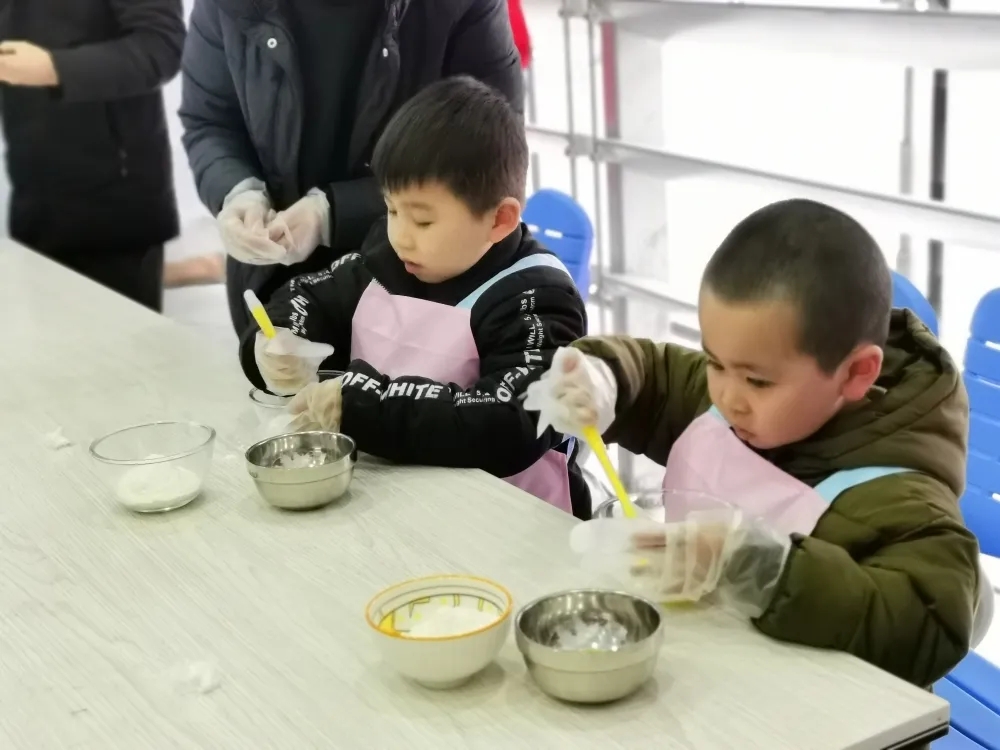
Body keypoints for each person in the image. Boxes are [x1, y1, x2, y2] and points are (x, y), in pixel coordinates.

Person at [526, 198, 986, 687]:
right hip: (713, 685)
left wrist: (758, 566)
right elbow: (655, 375)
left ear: (856, 373)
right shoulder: (734, 393)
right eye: (715, 362)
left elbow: (933, 623)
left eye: (758, 381)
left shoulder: (900, 496)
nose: (727, 396)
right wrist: (601, 379)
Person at [240, 77, 591, 519]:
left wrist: (360, 405)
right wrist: (275, 343)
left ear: (499, 220)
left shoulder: (536, 296)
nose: (400, 236)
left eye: (423, 221)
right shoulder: (386, 260)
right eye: (390, 210)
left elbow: (509, 422)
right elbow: (304, 294)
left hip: (511, 521)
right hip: (398, 509)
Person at [179, 0, 524, 335]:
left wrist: (334, 212)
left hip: (417, 291)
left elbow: (492, 150)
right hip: (271, 284)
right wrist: (238, 193)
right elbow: (209, 120)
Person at [0, 0, 185, 311]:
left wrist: (54, 67)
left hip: (115, 207)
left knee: (125, 355)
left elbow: (162, 46)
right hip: (32, 193)